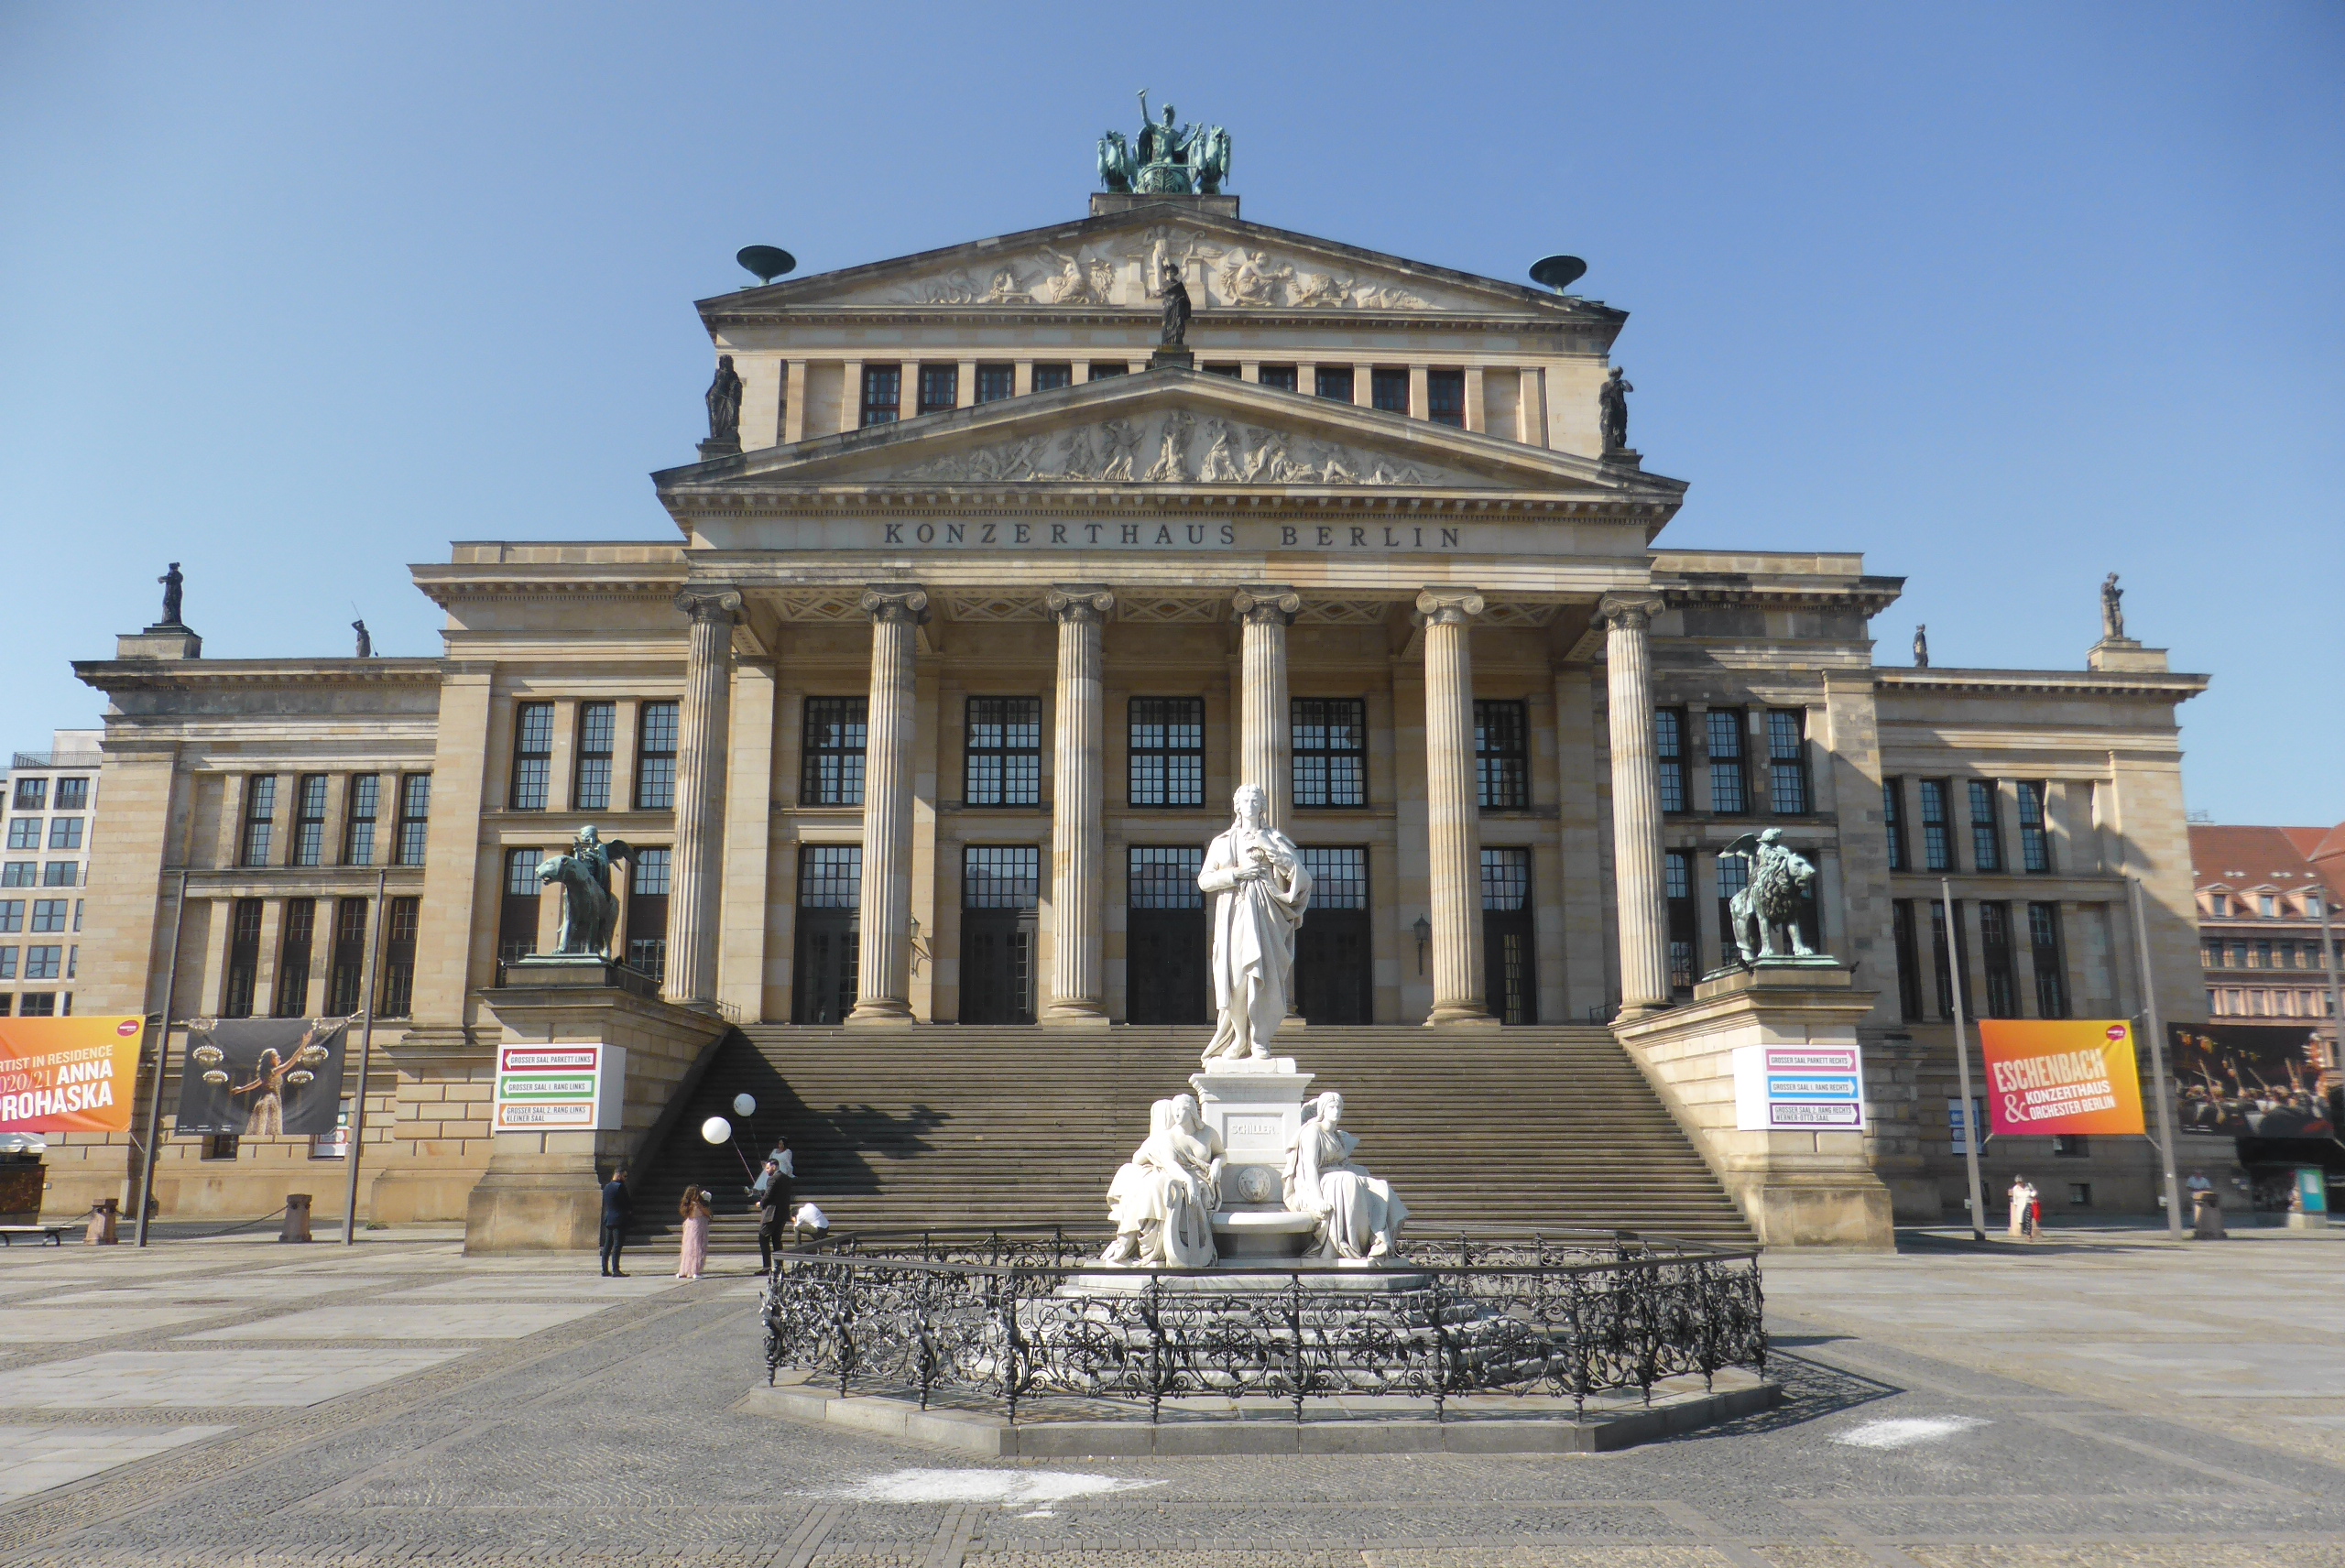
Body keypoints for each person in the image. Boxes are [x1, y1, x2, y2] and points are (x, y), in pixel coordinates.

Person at [1198, 783, 1313, 1063]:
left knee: (1263, 980)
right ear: (1237, 806)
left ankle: (1260, 1039)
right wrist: (1236, 874)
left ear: (1262, 806)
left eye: (1255, 800)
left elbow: (1301, 878)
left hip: (1266, 915)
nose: (1249, 804)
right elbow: (1204, 880)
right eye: (1245, 800)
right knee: (1236, 979)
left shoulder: (1275, 840)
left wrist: (1272, 853)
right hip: (1234, 915)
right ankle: (1239, 1037)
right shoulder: (1222, 842)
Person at [753, 1166, 789, 1272]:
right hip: (783, 1214)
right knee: (777, 1240)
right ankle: (779, 1266)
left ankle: (767, 1267)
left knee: (763, 1237)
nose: (767, 1170)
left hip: (771, 1213)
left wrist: (761, 1203)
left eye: (768, 1168)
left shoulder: (772, 1179)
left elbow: (768, 1195)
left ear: (774, 1166)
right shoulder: (786, 1178)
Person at [599, 1166, 631, 1277]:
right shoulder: (620, 1187)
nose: (625, 1179)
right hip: (619, 1219)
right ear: (619, 1175)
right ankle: (615, 1269)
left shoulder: (607, 1187)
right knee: (617, 1245)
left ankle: (604, 1269)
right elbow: (626, 1202)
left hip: (609, 1219)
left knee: (607, 1245)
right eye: (624, 1176)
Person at [675, 1186, 713, 1280]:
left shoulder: (687, 1205)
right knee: (698, 1247)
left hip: (689, 1226)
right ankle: (695, 1270)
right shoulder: (697, 1204)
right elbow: (708, 1214)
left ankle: (685, 1270)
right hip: (698, 1226)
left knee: (688, 1248)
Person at [2007, 1176, 2037, 1240]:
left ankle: (2029, 1235)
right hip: (2020, 1204)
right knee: (2021, 1220)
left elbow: (2034, 1192)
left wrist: (2033, 1195)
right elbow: (2015, 1197)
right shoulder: (2015, 1188)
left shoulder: (2028, 1186)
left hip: (2028, 1203)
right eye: (2018, 1182)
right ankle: (2025, 1232)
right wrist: (2015, 1204)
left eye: (2021, 1182)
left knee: (2028, 1219)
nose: (2020, 1184)